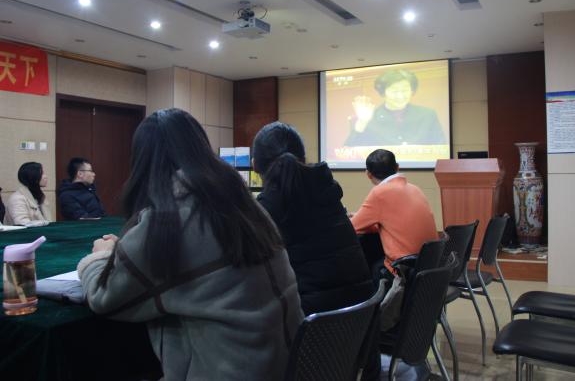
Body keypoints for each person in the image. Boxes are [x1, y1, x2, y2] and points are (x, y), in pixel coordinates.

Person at [77, 109, 303, 381]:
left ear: (142, 161)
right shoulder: (246, 204)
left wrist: (101, 257)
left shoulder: (168, 222)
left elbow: (104, 298)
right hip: (287, 368)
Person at [253, 122, 381, 380]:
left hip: (312, 344)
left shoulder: (265, 210)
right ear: (303, 158)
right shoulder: (327, 192)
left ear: (255, 165)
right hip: (359, 340)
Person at [350, 149, 438, 279]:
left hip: (403, 268)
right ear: (397, 167)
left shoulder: (379, 193)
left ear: (368, 174)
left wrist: (356, 218)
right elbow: (396, 223)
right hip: (429, 264)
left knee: (367, 257)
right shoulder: (415, 189)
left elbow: (352, 227)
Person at [345, 69, 446, 146]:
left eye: (405, 90)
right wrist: (362, 122)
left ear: (412, 91)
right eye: (394, 91)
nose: (400, 96)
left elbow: (441, 146)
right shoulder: (369, 117)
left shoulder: (427, 114)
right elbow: (349, 150)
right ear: (383, 92)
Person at [4, 162, 52, 226]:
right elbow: (22, 223)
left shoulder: (40, 196)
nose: (46, 177)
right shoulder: (17, 199)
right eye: (42, 173)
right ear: (33, 176)